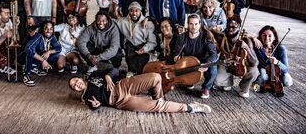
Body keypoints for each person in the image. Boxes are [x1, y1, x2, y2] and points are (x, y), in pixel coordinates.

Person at [69, 68, 211, 114]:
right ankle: (191, 108)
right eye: (74, 86)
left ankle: (158, 97)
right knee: (158, 107)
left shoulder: (93, 75)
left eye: (75, 81)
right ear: (76, 90)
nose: (77, 84)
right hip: (121, 101)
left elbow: (113, 70)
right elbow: (95, 107)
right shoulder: (86, 97)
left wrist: (107, 76)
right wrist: (95, 106)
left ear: (80, 78)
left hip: (123, 85)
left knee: (156, 77)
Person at [172, 14, 218, 99]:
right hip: (190, 61)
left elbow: (213, 54)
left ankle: (206, 88)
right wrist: (176, 57)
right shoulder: (182, 37)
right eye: (191, 24)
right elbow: (177, 51)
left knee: (213, 68)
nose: (193, 27)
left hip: (204, 60)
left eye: (196, 24)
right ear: (187, 24)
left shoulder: (206, 37)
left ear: (200, 24)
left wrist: (207, 64)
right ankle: (190, 81)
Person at [214, 16, 259, 98]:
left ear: (239, 27)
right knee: (217, 81)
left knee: (254, 72)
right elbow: (210, 30)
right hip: (228, 65)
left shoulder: (246, 41)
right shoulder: (222, 37)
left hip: (242, 66)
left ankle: (243, 87)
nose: (230, 29)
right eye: (229, 26)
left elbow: (254, 62)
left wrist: (246, 47)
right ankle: (228, 82)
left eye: (234, 27)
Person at [116, 1, 156, 77]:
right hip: (130, 46)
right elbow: (112, 23)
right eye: (131, 10)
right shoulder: (122, 21)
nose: (134, 13)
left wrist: (144, 49)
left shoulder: (148, 23)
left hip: (143, 46)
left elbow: (152, 42)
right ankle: (131, 70)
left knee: (141, 67)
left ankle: (142, 71)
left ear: (140, 11)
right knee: (130, 54)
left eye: (136, 11)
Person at [76, 11, 123, 75]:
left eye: (103, 21)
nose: (101, 23)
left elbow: (114, 48)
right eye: (98, 20)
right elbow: (80, 41)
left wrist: (99, 57)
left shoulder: (113, 29)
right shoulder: (91, 27)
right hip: (96, 47)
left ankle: (115, 68)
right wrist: (89, 55)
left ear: (107, 20)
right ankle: (92, 65)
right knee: (84, 47)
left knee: (118, 54)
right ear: (96, 20)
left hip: (108, 48)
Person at [23, 21, 63, 86]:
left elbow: (59, 48)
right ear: (42, 29)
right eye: (46, 28)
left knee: (56, 55)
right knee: (30, 53)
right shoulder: (38, 36)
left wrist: (49, 52)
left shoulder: (52, 36)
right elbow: (29, 49)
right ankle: (26, 75)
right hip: (24, 56)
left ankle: (34, 67)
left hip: (36, 57)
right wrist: (43, 60)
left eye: (51, 29)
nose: (48, 31)